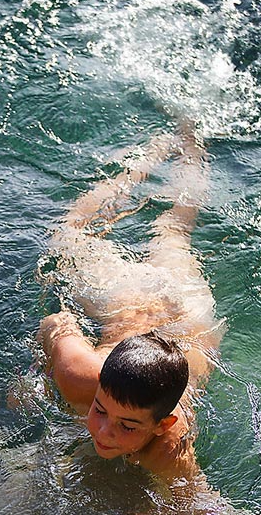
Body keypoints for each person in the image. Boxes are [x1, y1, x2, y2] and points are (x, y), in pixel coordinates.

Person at [36, 126, 224, 485]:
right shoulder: (80, 375)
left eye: (128, 425)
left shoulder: (168, 447)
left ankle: (193, 143)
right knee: (68, 234)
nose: (105, 432)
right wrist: (40, 375)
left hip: (182, 307)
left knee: (174, 228)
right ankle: (152, 152)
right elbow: (55, 322)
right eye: (100, 410)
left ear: (161, 425)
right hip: (131, 298)